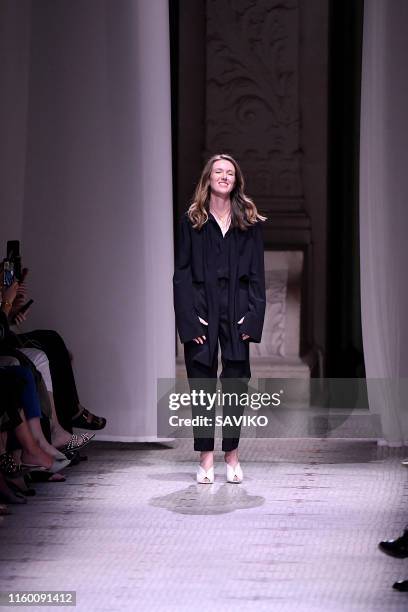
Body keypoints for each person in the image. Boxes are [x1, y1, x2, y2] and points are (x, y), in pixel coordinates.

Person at [173, 153, 266, 484]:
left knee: (236, 382)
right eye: (218, 172)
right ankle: (205, 456)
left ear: (236, 180)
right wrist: (189, 321)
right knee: (202, 384)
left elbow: (257, 275)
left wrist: (252, 319)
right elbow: (181, 275)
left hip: (237, 310)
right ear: (208, 179)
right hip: (201, 309)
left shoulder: (249, 223)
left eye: (230, 172)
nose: (224, 176)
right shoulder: (192, 221)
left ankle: (232, 453)